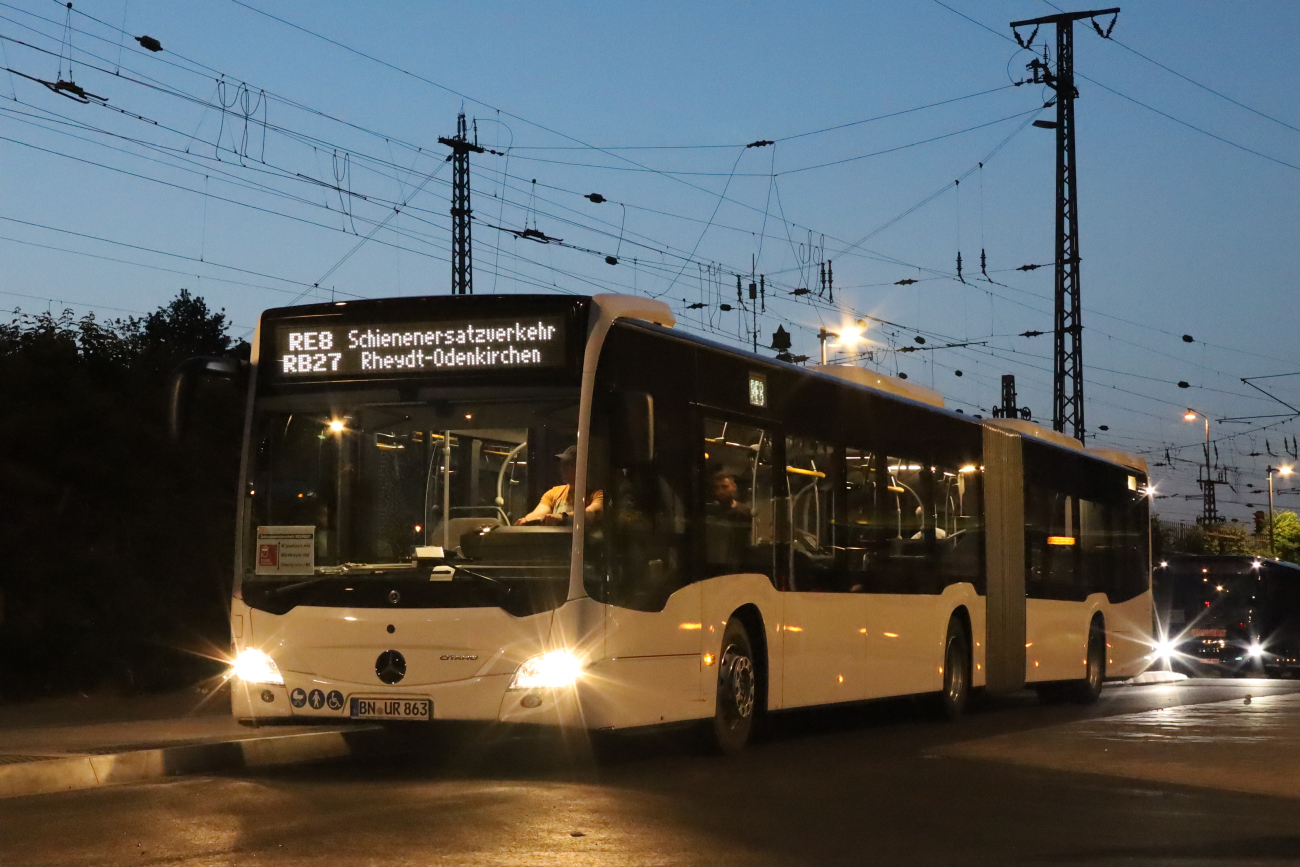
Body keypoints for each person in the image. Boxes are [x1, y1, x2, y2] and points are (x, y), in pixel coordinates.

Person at [515, 445, 604, 525]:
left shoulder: (596, 494)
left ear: (582, 467)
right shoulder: (553, 493)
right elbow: (539, 513)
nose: (563, 467)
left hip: (582, 538)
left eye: (569, 464)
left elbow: (593, 512)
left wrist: (563, 517)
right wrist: (526, 520)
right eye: (563, 463)